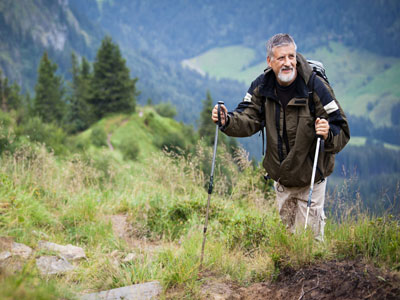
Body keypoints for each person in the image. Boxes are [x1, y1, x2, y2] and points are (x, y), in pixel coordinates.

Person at [211, 33, 350, 241]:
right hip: (282, 181)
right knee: (288, 241)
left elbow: (341, 128)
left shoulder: (315, 86)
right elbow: (248, 117)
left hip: (310, 178)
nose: (288, 63)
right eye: (281, 58)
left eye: (291, 57)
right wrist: (227, 121)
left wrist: (328, 133)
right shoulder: (262, 86)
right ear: (270, 61)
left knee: (308, 244)